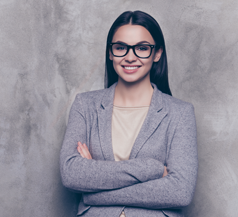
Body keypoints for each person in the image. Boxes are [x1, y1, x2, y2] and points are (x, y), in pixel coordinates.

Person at [60, 10, 198, 217]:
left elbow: (180, 192)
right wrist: (151, 169)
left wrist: (93, 193)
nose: (130, 57)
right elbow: (71, 174)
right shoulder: (85, 105)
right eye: (121, 48)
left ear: (157, 53)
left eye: (142, 48)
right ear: (110, 52)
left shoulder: (180, 113)